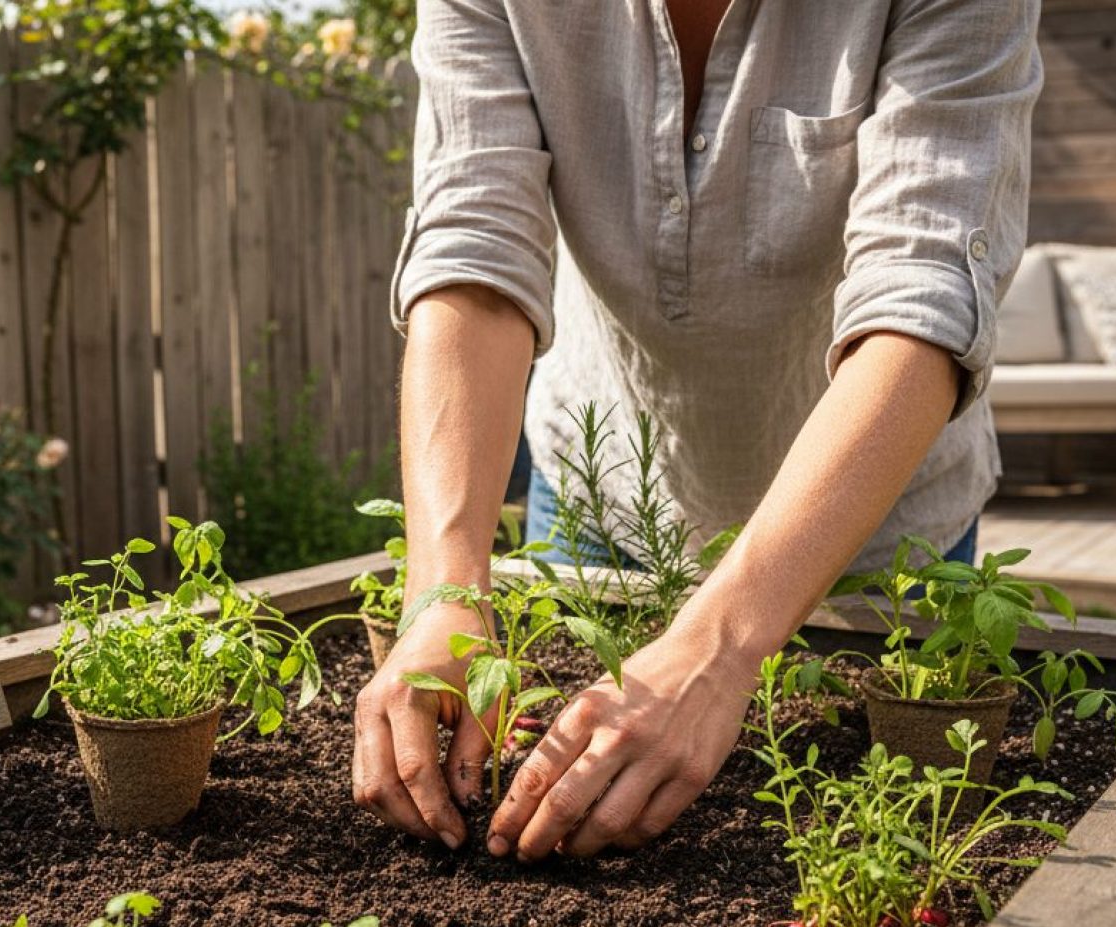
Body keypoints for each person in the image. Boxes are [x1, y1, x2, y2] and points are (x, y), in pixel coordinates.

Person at [353, 0, 1041, 861]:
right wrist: (445, 594)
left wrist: (721, 646)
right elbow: (475, 249)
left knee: (908, 835)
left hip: (876, 526)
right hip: (604, 493)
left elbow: (922, 294)